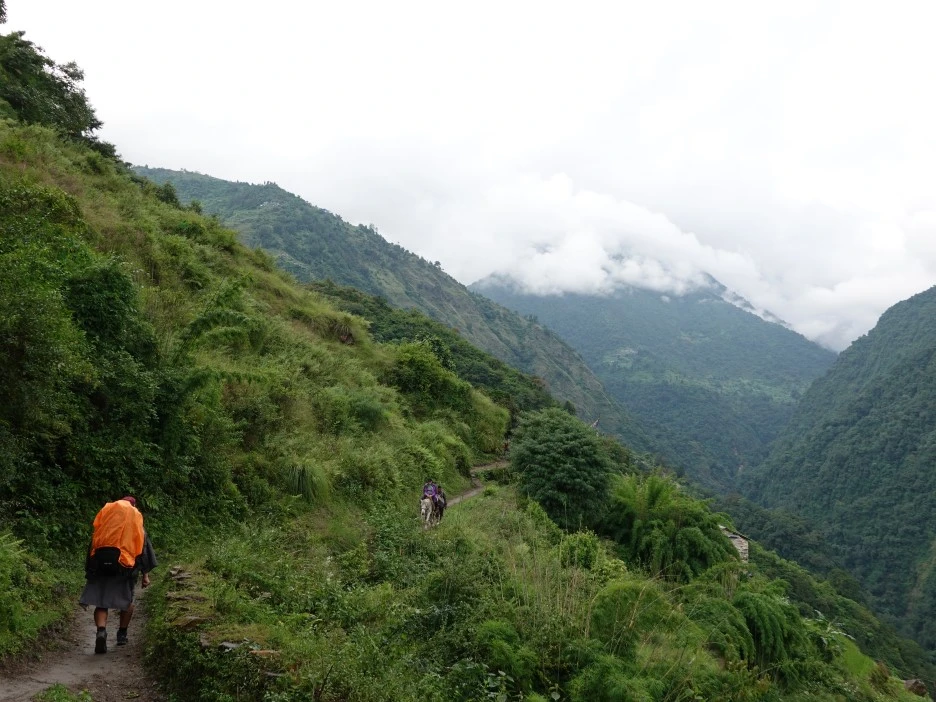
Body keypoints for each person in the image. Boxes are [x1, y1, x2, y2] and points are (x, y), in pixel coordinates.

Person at [80, 496, 157, 654]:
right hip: (125, 567)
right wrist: (145, 575)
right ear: (133, 507)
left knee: (101, 601)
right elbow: (143, 549)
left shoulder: (105, 520)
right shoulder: (135, 521)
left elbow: (93, 544)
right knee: (127, 600)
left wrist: (90, 569)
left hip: (101, 565)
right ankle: (122, 634)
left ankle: (101, 630)